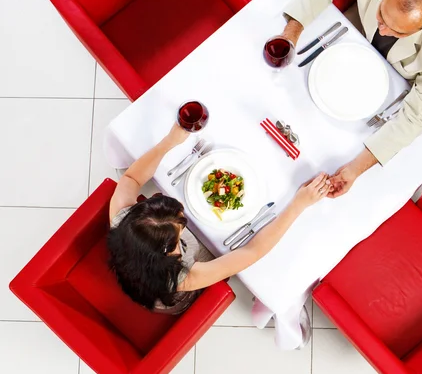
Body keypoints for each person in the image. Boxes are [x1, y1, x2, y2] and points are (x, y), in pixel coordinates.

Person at [280, 0, 422, 198]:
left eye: (398, 31)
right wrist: (289, 36)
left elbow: (415, 116)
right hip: (352, 36)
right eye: (382, 15)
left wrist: (354, 170)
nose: (384, 29)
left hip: (395, 78)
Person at [108, 123, 330, 314]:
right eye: (181, 229)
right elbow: (251, 252)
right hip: (165, 294)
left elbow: (131, 177)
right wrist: (298, 204)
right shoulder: (181, 277)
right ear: (170, 252)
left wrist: (169, 141)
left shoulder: (122, 218)